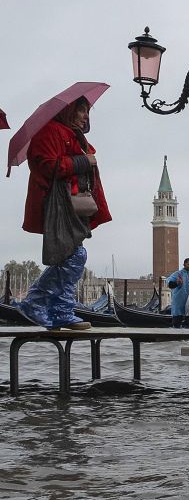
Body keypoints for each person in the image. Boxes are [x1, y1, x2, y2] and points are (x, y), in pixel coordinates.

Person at [19, 97, 111, 330]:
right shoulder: (49, 131)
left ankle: (56, 309)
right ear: (68, 110)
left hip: (75, 204)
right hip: (59, 204)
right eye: (81, 111)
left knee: (72, 255)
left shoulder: (75, 136)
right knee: (74, 255)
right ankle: (43, 304)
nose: (85, 116)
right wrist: (82, 161)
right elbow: (46, 165)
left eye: (87, 112)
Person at [166, 257, 189, 329]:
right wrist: (177, 283)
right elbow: (170, 285)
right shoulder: (177, 274)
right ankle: (177, 338)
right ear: (184, 264)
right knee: (177, 322)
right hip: (179, 302)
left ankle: (187, 338)